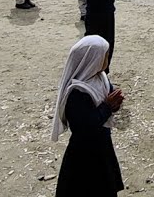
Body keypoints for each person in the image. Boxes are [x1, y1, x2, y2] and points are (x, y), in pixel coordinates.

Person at [51, 35, 125, 196]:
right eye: (104, 56)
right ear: (93, 60)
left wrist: (115, 104)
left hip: (102, 145)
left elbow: (108, 99)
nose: (107, 59)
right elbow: (83, 127)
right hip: (84, 152)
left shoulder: (101, 78)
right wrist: (107, 107)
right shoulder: (77, 92)